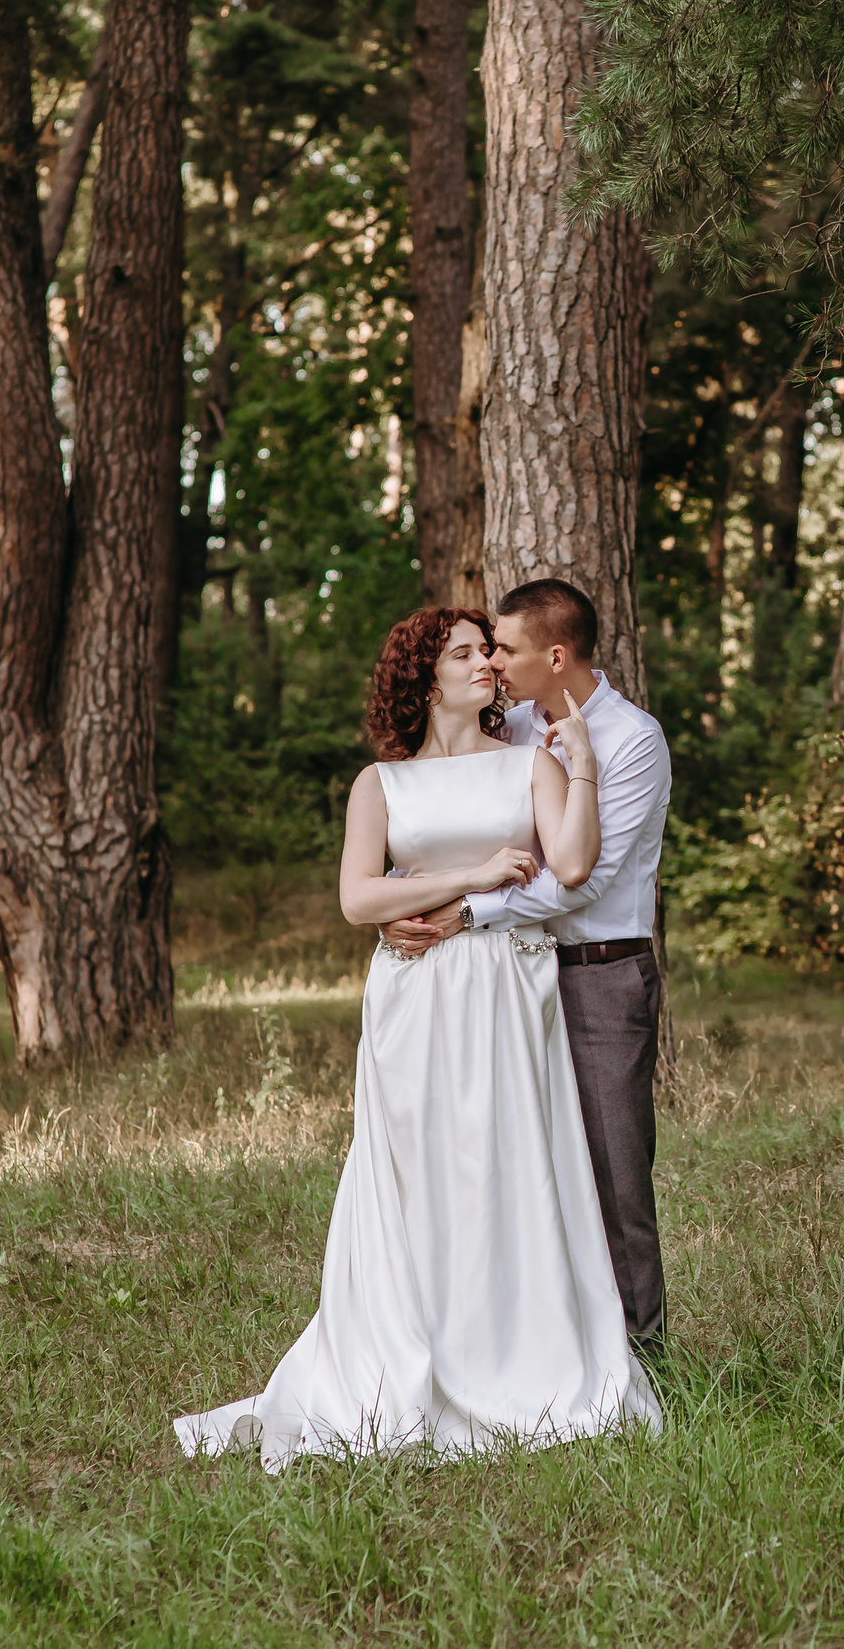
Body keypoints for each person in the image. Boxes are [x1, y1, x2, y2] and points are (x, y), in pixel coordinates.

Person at [173, 606, 661, 1467]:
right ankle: (412, 1350)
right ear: (423, 675)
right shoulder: (380, 784)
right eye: (465, 653)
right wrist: (468, 877)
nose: (486, 665)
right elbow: (360, 900)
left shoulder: (532, 762)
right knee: (420, 1168)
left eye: (488, 650)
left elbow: (575, 865)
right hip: (415, 994)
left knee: (512, 1165)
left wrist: (582, 767)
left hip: (508, 988)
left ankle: (520, 1350)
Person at [382, 579, 673, 1355]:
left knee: (614, 1176)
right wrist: (417, 895)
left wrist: (465, 912)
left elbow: (591, 877)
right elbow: (449, 810)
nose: (494, 663)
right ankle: (543, 1346)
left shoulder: (633, 739)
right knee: (528, 1168)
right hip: (509, 979)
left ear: (553, 655)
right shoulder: (504, 727)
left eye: (504, 648)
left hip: (602, 972)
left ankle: (643, 1359)